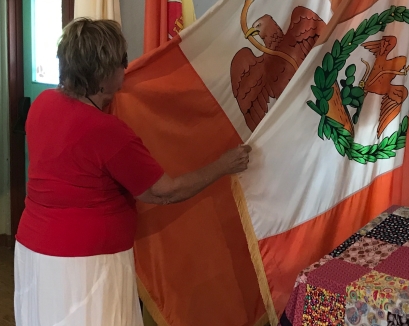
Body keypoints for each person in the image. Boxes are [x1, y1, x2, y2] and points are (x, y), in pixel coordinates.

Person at [14, 18, 251, 326]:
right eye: (121, 63)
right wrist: (224, 164)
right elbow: (164, 191)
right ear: (102, 74)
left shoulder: (44, 103)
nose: (125, 70)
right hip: (86, 263)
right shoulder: (106, 131)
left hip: (34, 248)